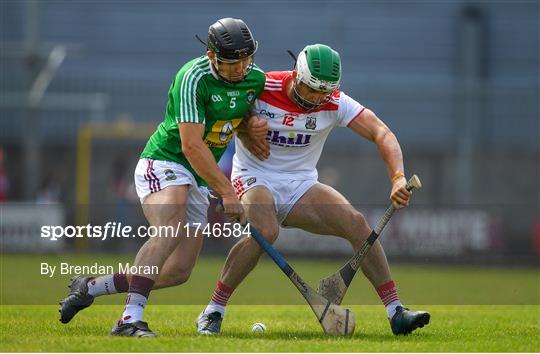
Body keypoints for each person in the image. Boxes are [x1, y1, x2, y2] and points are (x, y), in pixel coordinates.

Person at [195, 44, 430, 336]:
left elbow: (381, 132)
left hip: (301, 184)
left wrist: (397, 177)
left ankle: (396, 311)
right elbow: (219, 110)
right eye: (311, 89)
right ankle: (213, 310)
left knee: (357, 224)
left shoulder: (334, 101)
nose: (317, 98)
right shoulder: (263, 85)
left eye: (325, 92)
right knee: (265, 231)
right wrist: (245, 125)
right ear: (296, 76)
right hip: (255, 177)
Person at [58, 18, 266, 337]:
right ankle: (129, 320)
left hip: (199, 177)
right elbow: (191, 145)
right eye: (231, 62)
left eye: (246, 59)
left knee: (179, 271)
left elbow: (236, 110)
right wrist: (228, 192)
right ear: (212, 56)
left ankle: (90, 287)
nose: (240, 68)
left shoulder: (254, 79)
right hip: (166, 160)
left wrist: (249, 126)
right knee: (170, 226)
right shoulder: (192, 77)